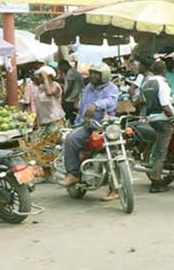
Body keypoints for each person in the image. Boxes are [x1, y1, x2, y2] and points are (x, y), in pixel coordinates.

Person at [60, 63, 120, 200]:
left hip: (107, 126)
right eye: (92, 73)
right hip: (89, 125)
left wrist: (96, 105)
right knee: (71, 139)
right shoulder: (88, 88)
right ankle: (73, 174)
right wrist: (77, 124)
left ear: (104, 76)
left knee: (116, 153)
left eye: (96, 74)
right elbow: (82, 109)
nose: (92, 75)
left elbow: (111, 101)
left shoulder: (112, 88)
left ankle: (115, 190)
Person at [139, 61, 174, 193]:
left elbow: (141, 100)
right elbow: (165, 105)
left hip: (151, 119)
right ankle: (156, 182)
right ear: (164, 70)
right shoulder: (163, 84)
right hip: (163, 119)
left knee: (160, 147)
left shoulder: (146, 83)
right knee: (161, 152)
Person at [23, 66, 66, 174]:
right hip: (43, 123)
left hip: (55, 122)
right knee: (37, 146)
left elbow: (50, 92)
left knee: (52, 148)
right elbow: (39, 106)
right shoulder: (40, 88)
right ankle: (47, 171)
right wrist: (36, 122)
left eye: (41, 77)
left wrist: (45, 77)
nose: (39, 79)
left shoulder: (56, 86)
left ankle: (56, 171)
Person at [60, 59, 83, 125]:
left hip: (70, 98)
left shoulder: (70, 72)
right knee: (73, 116)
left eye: (61, 68)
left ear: (64, 65)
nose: (61, 70)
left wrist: (64, 97)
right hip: (75, 97)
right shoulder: (74, 71)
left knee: (69, 116)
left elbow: (70, 87)